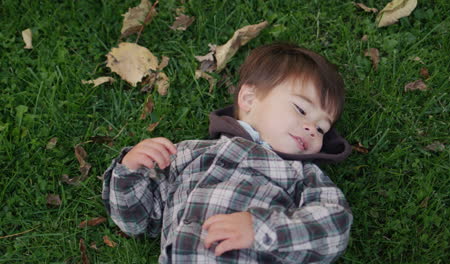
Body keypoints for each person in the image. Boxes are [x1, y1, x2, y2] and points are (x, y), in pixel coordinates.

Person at [102, 43, 353, 263]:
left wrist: (261, 229)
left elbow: (334, 225)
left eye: (322, 128)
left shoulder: (302, 173)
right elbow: (138, 222)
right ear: (249, 99)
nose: (311, 129)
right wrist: (130, 171)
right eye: (300, 109)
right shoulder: (189, 153)